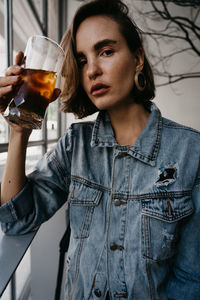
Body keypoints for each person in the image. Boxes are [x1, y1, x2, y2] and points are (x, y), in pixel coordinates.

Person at [0, 0, 200, 299]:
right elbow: (17, 219)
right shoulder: (75, 144)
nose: (92, 70)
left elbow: (191, 278)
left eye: (106, 51)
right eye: (82, 60)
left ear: (138, 59)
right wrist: (19, 132)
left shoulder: (191, 150)